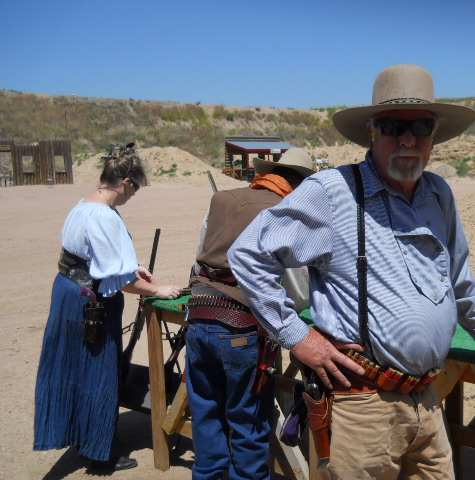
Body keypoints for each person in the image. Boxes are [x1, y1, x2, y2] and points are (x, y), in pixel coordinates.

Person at [228, 64, 475, 479]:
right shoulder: (333, 192)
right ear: (372, 132)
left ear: (434, 135)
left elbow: (458, 276)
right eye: (392, 126)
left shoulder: (439, 193)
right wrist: (298, 337)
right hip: (361, 407)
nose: (407, 139)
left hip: (427, 400)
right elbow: (248, 254)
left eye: (420, 126)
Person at [34, 143, 182, 471]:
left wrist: (134, 267)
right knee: (99, 372)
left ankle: (84, 438)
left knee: (77, 368)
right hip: (91, 301)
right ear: (126, 183)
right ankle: (100, 454)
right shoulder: (104, 215)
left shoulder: (85, 205)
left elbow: (92, 255)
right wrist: (157, 289)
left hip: (70, 291)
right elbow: (121, 280)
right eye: (136, 188)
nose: (134, 195)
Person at [186, 148, 314, 480]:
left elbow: (200, 258)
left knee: (205, 415)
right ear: (301, 183)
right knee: (249, 422)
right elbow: (298, 290)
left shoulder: (222, 199)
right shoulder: (288, 210)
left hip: (199, 316)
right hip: (242, 328)